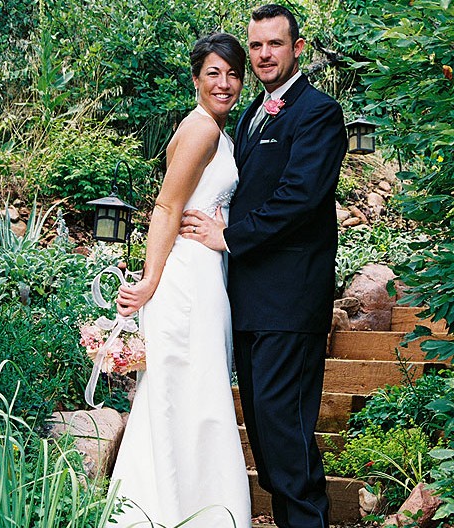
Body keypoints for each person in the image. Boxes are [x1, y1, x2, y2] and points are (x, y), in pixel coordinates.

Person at [180, 5, 347, 528]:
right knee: (267, 439)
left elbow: (299, 197)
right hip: (251, 304)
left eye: (274, 44)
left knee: (286, 440)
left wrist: (228, 237)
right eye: (255, 46)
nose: (263, 55)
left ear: (298, 48)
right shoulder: (255, 111)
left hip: (290, 304)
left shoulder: (318, 112)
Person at [107, 33, 251, 528]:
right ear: (195, 79)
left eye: (233, 73)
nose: (225, 83)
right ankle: (182, 512)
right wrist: (149, 282)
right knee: (188, 397)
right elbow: (167, 207)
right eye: (214, 72)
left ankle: (189, 508)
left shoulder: (214, 128)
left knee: (194, 394)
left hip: (204, 270)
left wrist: (226, 230)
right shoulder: (202, 130)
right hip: (187, 278)